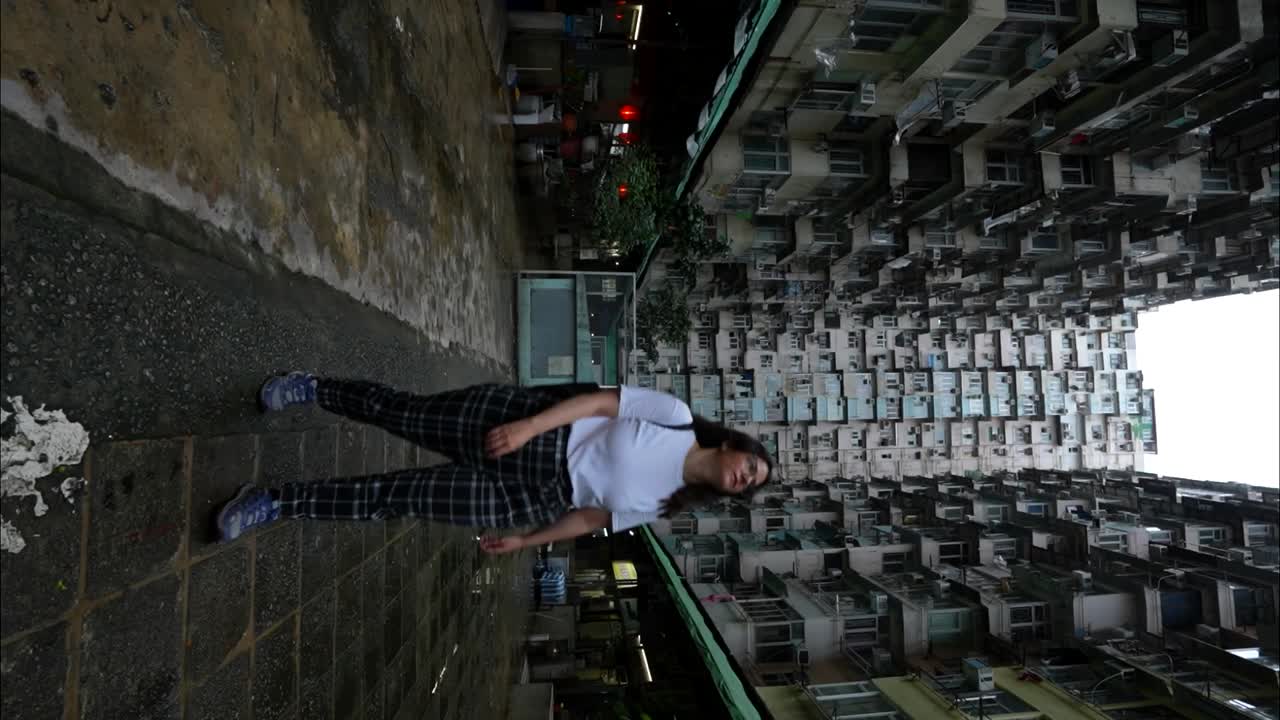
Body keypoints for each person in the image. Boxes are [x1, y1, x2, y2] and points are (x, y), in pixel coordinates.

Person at [215, 373, 775, 554]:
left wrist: (527, 540)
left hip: (530, 498)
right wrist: (531, 425)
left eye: (748, 485)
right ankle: (313, 388)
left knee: (396, 497)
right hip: (533, 432)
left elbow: (591, 518)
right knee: (403, 414)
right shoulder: (675, 418)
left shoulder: (666, 505)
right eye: (750, 467)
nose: (742, 478)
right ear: (735, 445)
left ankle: (277, 502)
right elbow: (599, 403)